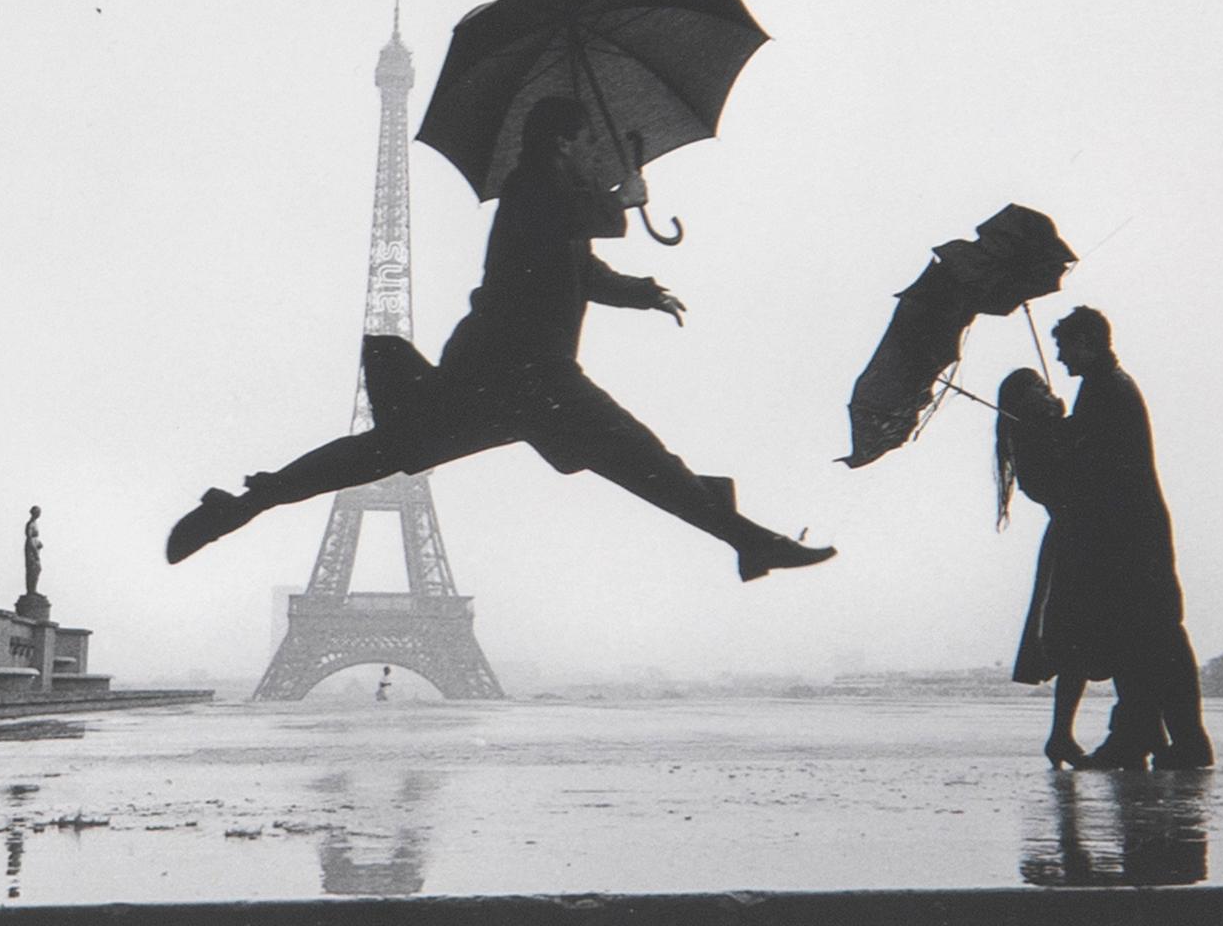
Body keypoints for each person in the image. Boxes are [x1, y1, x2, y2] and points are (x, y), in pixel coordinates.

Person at [167, 97, 836, 582]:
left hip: (493, 377)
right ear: (564, 143)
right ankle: (749, 541)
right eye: (591, 146)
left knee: (380, 453)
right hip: (528, 375)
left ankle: (247, 501)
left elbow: (579, 270)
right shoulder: (532, 190)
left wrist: (641, 290)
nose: (600, 157)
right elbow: (562, 227)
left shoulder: (550, 196)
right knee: (642, 459)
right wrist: (622, 199)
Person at [1045, 306, 1214, 770]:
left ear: (1087, 343)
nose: (1060, 358)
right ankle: (1167, 738)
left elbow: (1095, 465)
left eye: (1064, 347)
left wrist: (1059, 433)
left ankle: (1144, 738)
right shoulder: (1107, 386)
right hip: (1137, 532)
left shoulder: (1105, 390)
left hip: (1128, 537)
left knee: (1142, 639)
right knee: (1153, 638)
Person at [996, 367, 1100, 768]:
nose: (1047, 392)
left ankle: (1061, 735)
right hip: (1073, 545)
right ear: (1023, 400)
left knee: (1074, 642)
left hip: (1071, 541)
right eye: (1038, 388)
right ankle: (1060, 735)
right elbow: (1068, 481)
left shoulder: (1034, 436)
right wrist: (1065, 428)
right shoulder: (1031, 440)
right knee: (1072, 642)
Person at [23, 506, 43, 597]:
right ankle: (31, 590)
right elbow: (30, 538)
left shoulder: (35, 523)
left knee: (36, 569)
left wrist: (39, 543)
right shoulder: (30, 524)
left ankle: (33, 589)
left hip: (34, 547)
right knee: (34, 568)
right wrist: (34, 551)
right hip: (31, 549)